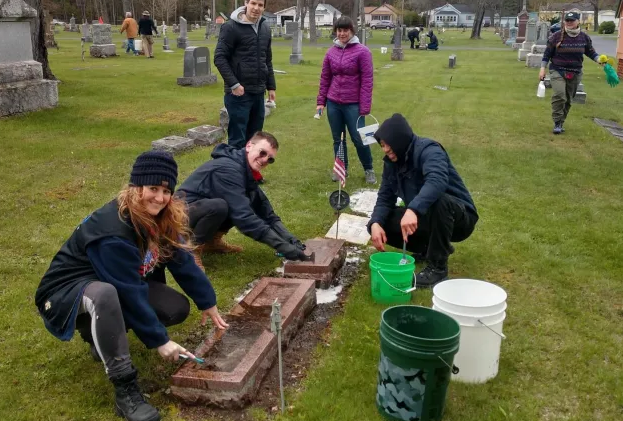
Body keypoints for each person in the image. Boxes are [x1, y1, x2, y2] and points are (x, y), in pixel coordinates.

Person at [35, 151, 228, 421]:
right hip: (65, 291)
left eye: (166, 191)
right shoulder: (114, 232)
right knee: (105, 296)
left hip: (111, 280)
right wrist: (160, 341)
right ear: (136, 187)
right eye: (153, 189)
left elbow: (182, 260)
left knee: (174, 308)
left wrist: (208, 302)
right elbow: (128, 291)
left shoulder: (159, 217)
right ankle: (125, 388)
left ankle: (100, 336)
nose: (159, 198)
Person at [367, 114, 478, 288]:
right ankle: (427, 249)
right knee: (381, 222)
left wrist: (413, 210)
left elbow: (437, 181)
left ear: (399, 139)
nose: (385, 150)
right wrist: (375, 223)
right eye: (382, 145)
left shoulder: (429, 150)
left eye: (388, 144)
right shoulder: (392, 162)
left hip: (460, 217)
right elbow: (385, 197)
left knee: (440, 202)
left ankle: (438, 268)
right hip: (426, 215)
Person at [176, 131, 308, 269]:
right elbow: (244, 218)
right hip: (177, 217)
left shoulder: (245, 170)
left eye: (270, 159)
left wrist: (292, 240)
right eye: (262, 153)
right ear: (249, 146)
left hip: (198, 211)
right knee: (220, 206)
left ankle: (212, 243)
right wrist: (283, 247)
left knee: (241, 201)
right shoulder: (228, 169)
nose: (264, 160)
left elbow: (267, 213)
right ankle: (191, 249)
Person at [316, 15, 376, 185]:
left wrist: (364, 106)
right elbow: (325, 78)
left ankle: (368, 168)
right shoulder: (331, 52)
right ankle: (342, 168)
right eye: (339, 30)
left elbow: (367, 81)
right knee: (338, 138)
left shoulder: (362, 52)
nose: (342, 34)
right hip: (334, 102)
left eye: (345, 30)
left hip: (353, 104)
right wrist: (321, 101)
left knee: (359, 138)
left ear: (352, 31)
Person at [214, 0, 276, 150]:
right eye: (253, 3)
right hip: (238, 93)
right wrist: (234, 85)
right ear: (246, 4)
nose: (256, 8)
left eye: (260, 5)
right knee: (237, 140)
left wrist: (271, 86)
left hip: (258, 92)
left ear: (264, 7)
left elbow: (267, 59)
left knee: (255, 139)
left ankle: (251, 174)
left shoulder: (265, 28)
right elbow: (219, 58)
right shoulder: (231, 27)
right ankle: (235, 175)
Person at [539, 11, 603, 135]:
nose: (569, 23)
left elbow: (591, 52)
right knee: (559, 95)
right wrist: (542, 68)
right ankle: (557, 121)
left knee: (568, 99)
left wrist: (600, 60)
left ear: (578, 22)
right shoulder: (556, 36)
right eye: (567, 21)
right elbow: (547, 54)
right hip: (557, 70)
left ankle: (561, 122)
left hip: (575, 72)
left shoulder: (584, 37)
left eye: (572, 21)